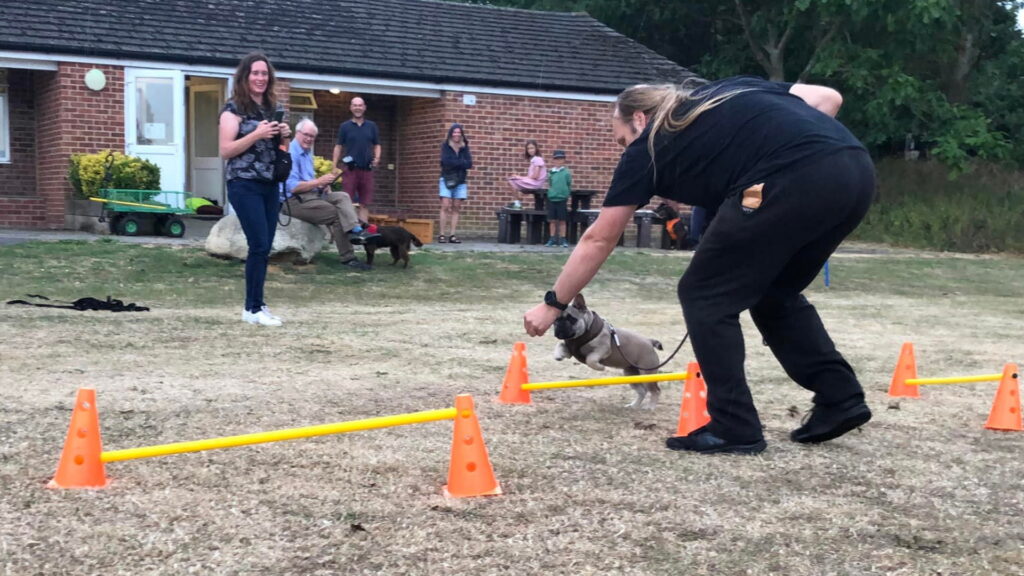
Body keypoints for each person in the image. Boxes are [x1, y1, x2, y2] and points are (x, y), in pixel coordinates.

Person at [523, 76, 875, 455]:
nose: (624, 150)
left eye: (621, 140)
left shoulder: (648, 149)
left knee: (704, 294)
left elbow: (599, 238)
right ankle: (840, 399)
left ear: (639, 120)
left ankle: (734, 426)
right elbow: (828, 98)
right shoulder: (732, 89)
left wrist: (554, 303)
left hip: (787, 179)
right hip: (854, 172)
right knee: (775, 294)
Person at [218, 52, 291, 327]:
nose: (260, 78)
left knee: (265, 245)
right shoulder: (233, 109)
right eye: (255, 73)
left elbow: (278, 150)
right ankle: (252, 308)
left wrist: (284, 135)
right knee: (258, 243)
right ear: (245, 77)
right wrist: (255, 134)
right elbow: (226, 150)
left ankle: (257, 304)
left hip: (269, 183)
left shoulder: (273, 107)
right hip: (243, 182)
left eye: (264, 74)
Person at [285, 119, 376, 270]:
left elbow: (308, 180)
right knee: (336, 214)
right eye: (306, 135)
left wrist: (323, 185)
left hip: (311, 195)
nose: (309, 139)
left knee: (343, 196)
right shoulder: (291, 153)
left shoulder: (306, 152)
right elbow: (292, 187)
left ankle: (357, 231)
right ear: (297, 133)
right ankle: (348, 258)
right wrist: (318, 181)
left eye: (312, 136)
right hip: (293, 201)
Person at [332, 96, 380, 224]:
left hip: (367, 169)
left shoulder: (372, 126)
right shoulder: (345, 126)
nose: (357, 108)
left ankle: (363, 232)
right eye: (355, 105)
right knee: (347, 201)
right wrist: (334, 166)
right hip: (350, 170)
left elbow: (377, 144)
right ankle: (350, 229)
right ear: (351, 108)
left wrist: (377, 158)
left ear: (364, 107)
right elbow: (338, 146)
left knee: (365, 203)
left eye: (360, 105)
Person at [438, 123, 473, 244]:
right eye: (454, 132)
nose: (457, 134)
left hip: (461, 180)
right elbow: (445, 162)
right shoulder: (445, 146)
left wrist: (456, 163)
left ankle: (452, 234)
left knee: (456, 207)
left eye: (459, 132)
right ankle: (441, 234)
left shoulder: (465, 147)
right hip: (446, 178)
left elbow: (469, 164)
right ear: (451, 133)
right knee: (445, 205)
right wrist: (460, 163)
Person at [544, 149, 572, 247]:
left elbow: (568, 184)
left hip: (562, 199)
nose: (558, 161)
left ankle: (563, 239)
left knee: (562, 220)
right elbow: (550, 183)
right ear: (553, 160)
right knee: (552, 220)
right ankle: (552, 239)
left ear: (564, 160)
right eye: (556, 159)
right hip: (552, 199)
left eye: (560, 159)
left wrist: (565, 194)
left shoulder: (566, 173)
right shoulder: (551, 172)